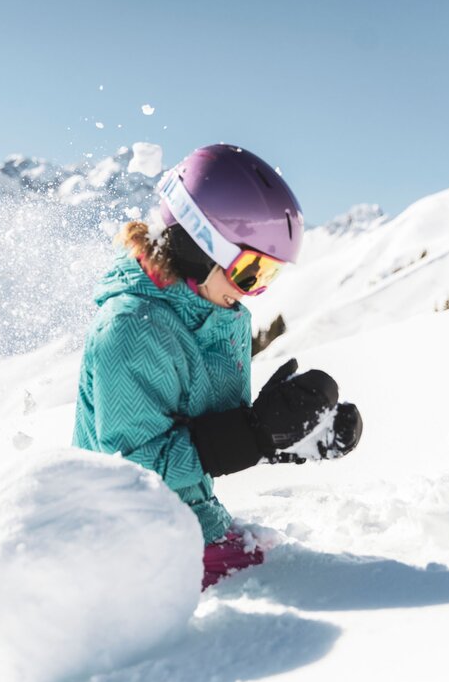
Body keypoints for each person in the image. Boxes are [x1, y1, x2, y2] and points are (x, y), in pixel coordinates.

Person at [73, 144, 363, 588]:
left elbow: (201, 434)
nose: (252, 292)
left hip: (190, 523)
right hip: (127, 543)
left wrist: (283, 435)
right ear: (199, 244)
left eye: (268, 277)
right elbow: (133, 469)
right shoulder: (131, 329)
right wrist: (253, 435)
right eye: (251, 272)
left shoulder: (216, 314)